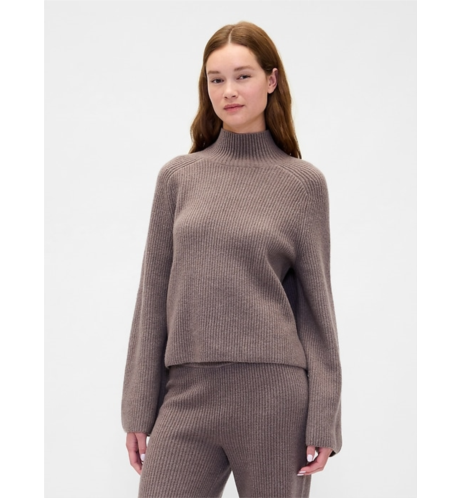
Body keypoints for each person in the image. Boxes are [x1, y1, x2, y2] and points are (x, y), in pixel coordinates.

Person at [121, 20, 342, 498]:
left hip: (274, 398)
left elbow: (317, 311)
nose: (229, 91)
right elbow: (152, 298)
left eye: (243, 76)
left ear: (271, 80)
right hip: (187, 392)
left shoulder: (302, 184)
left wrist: (324, 416)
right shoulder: (179, 177)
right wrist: (138, 407)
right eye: (216, 79)